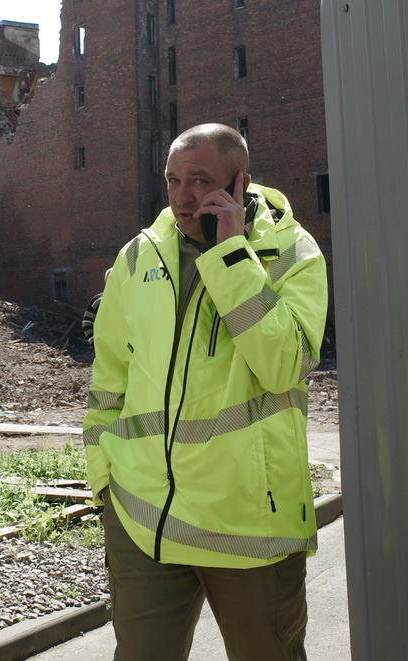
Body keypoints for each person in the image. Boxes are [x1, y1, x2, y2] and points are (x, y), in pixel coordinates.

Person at [84, 123, 328, 661]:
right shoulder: (138, 257)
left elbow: (285, 364)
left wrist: (231, 255)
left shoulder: (292, 252)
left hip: (248, 525)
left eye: (200, 180)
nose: (183, 197)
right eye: (173, 180)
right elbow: (109, 382)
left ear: (241, 183)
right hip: (143, 520)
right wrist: (105, 483)